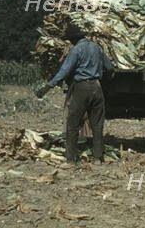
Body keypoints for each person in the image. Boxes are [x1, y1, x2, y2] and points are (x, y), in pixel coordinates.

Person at [35, 23, 114, 164]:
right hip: (97, 87)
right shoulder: (97, 48)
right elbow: (109, 67)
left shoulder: (76, 50)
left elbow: (64, 71)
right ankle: (97, 157)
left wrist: (47, 87)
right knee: (97, 123)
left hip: (81, 88)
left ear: (73, 39)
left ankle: (71, 158)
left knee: (73, 123)